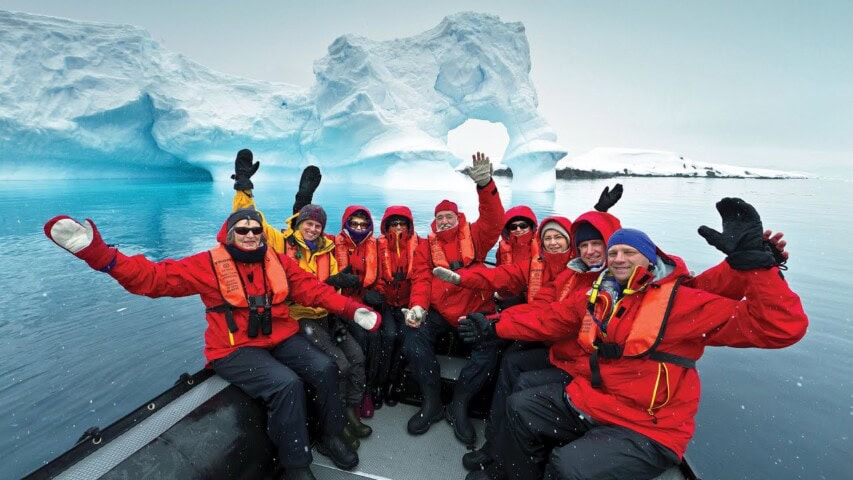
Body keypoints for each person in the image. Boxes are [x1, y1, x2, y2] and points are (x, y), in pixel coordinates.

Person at [463, 198, 808, 480]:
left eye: (627, 252)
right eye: (613, 253)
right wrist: (493, 326)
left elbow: (780, 327)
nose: (617, 258)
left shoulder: (679, 303)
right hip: (601, 397)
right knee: (521, 405)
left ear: (650, 257)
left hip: (649, 425)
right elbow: (550, 317)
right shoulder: (604, 293)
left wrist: (756, 265)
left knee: (568, 466)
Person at [44, 207, 382, 480]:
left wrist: (352, 309)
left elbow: (313, 289)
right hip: (233, 349)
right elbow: (154, 279)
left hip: (279, 337)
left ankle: (330, 435)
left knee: (325, 367)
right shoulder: (208, 265)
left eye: (256, 229)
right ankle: (295, 464)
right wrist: (100, 255)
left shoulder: (278, 262)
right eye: (242, 229)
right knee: (286, 384)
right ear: (230, 234)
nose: (250, 234)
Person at [441, 210, 622, 477]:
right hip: (564, 350)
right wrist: (491, 319)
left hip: (583, 363)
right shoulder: (573, 275)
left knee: (521, 380)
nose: (590, 251)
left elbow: (554, 320)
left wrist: (495, 327)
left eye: (597, 244)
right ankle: (495, 443)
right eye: (584, 245)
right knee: (511, 362)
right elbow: (536, 305)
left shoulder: (600, 282)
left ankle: (505, 458)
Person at [229, 149, 373, 449]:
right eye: (308, 223)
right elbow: (251, 220)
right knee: (338, 364)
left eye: (317, 225)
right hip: (298, 318)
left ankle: (351, 409)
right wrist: (244, 188)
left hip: (326, 316)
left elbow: (330, 289)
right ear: (299, 224)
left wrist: (337, 291)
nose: (312, 228)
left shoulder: (327, 250)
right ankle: (336, 421)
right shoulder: (282, 243)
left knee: (357, 358)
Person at [403, 151, 505, 445]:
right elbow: (421, 280)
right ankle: (432, 400)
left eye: (449, 216)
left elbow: (495, 220)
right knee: (412, 336)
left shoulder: (475, 235)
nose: (444, 221)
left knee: (490, 345)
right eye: (440, 218)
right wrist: (418, 307)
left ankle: (460, 403)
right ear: (434, 222)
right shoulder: (425, 246)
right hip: (439, 311)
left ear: (458, 218)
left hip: (475, 309)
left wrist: (485, 185)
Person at [333, 205, 384, 418]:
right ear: (345, 224)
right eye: (354, 223)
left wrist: (378, 293)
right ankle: (356, 393)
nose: (359, 228)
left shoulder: (375, 247)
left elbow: (380, 278)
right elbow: (301, 232)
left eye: (364, 224)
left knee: (377, 337)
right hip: (339, 305)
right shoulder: (332, 244)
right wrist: (336, 281)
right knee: (361, 338)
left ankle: (368, 389)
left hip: (363, 304)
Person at [373, 206, 421, 408]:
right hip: (386, 304)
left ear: (409, 226)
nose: (398, 227)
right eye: (394, 224)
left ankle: (393, 383)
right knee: (389, 336)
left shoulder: (420, 245)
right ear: (387, 227)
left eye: (402, 223)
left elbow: (421, 279)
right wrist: (379, 293)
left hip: (408, 305)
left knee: (405, 338)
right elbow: (375, 274)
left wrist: (417, 306)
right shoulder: (377, 246)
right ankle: (379, 385)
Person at [492, 206, 538, 310]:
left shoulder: (542, 245)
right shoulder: (502, 249)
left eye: (523, 226)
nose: (518, 229)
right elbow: (499, 271)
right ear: (508, 230)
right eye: (513, 227)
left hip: (535, 293)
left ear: (531, 227)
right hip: (510, 293)